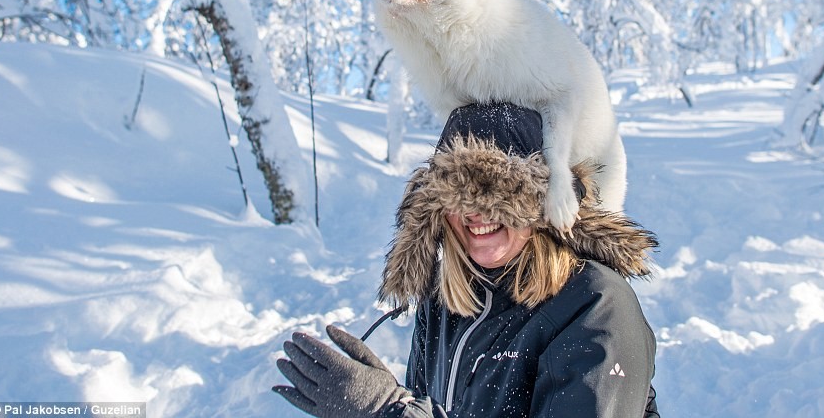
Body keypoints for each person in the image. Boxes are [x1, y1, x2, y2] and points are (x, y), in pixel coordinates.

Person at [274, 103, 660, 417]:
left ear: (541, 208)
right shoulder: (446, 304)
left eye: (499, 199)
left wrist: (390, 413)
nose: (477, 215)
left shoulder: (595, 307)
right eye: (459, 199)